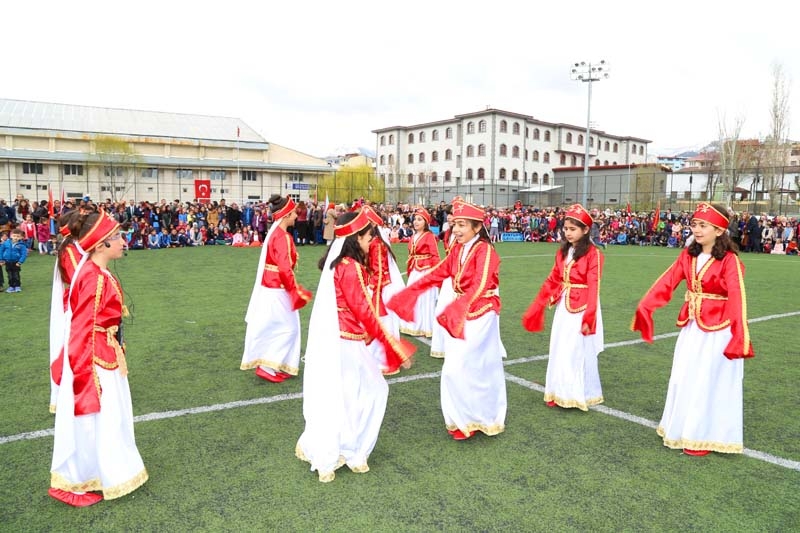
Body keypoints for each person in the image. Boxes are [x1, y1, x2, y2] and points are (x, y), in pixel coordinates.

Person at [296, 210, 415, 482]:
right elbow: (364, 311)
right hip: (347, 342)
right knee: (373, 390)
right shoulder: (352, 268)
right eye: (368, 235)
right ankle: (352, 450)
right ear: (356, 237)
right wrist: (393, 348)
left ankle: (342, 446)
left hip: (337, 340)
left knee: (343, 394)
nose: (371, 240)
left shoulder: (339, 265)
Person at [631, 202, 754, 456]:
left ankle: (704, 436)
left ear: (719, 230)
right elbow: (668, 281)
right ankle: (682, 428)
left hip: (718, 330)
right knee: (685, 374)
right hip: (692, 326)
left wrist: (738, 336)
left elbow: (737, 298)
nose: (696, 230)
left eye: (703, 225)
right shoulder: (688, 255)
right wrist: (646, 306)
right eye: (694, 224)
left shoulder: (730, 261)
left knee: (709, 380)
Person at [49, 209, 147, 506]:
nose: (122, 241)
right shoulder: (93, 277)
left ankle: (100, 471)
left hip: (103, 353)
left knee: (106, 419)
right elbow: (80, 330)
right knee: (94, 419)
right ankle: (75, 480)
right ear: (101, 243)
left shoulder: (96, 272)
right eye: (117, 236)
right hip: (94, 362)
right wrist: (83, 379)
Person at [387, 198, 506, 441]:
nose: (457, 230)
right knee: (461, 365)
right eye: (454, 224)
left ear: (476, 227)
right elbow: (440, 271)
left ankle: (481, 416)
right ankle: (464, 419)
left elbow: (481, 284)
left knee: (468, 365)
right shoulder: (459, 249)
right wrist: (409, 293)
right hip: (463, 311)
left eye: (462, 225)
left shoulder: (485, 250)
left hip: (481, 313)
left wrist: (458, 307)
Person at [521, 204, 605, 410]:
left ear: (585, 230)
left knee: (576, 349)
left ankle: (578, 394)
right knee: (559, 346)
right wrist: (538, 305)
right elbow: (553, 279)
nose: (568, 232)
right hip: (564, 305)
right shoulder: (563, 252)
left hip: (583, 307)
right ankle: (556, 390)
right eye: (566, 228)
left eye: (573, 229)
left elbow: (594, 287)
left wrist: (590, 317)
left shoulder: (594, 255)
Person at [241, 194, 312, 383]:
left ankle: (274, 364)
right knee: (289, 329)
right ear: (286, 214)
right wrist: (295, 291)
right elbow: (284, 268)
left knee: (278, 328)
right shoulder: (283, 237)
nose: (297, 216)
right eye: (294, 213)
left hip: (273, 289)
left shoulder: (276, 234)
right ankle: (266, 366)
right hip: (278, 289)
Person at [363, 206, 405, 371]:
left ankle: (383, 359)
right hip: (376, 285)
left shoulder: (376, 243)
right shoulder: (372, 241)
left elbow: (379, 270)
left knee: (382, 321)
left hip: (380, 288)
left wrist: (374, 291)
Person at [399, 207, 441, 337]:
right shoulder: (413, 236)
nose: (416, 222)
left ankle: (426, 327)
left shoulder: (429, 236)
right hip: (415, 270)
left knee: (425, 299)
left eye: (420, 219)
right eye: (415, 219)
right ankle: (413, 324)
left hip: (426, 271)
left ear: (426, 222)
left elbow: (435, 255)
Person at [430, 205, 457, 358]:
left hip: (461, 276)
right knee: (443, 307)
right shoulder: (447, 233)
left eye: (452, 214)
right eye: (448, 214)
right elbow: (434, 238)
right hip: (449, 275)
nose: (449, 217)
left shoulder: (466, 235)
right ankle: (443, 345)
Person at [0, 228, 28, 292]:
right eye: (14, 236)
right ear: (11, 236)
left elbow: (23, 254)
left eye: (18, 236)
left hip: (16, 262)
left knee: (16, 274)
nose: (15, 237)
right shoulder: (6, 243)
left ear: (21, 237)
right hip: (7, 262)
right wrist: (1, 260)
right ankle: (11, 286)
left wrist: (20, 261)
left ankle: (17, 286)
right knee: (9, 275)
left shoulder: (21, 245)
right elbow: (1, 251)